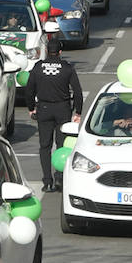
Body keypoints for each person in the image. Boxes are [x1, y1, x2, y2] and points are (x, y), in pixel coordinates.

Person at [24, 26, 84, 192]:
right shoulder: (67, 68)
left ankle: (47, 181)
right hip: (63, 109)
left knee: (44, 146)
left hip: (43, 108)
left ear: (46, 50)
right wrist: (78, 112)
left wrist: (31, 108)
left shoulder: (38, 68)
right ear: (60, 51)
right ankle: (59, 177)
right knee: (61, 145)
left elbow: (29, 90)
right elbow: (77, 92)